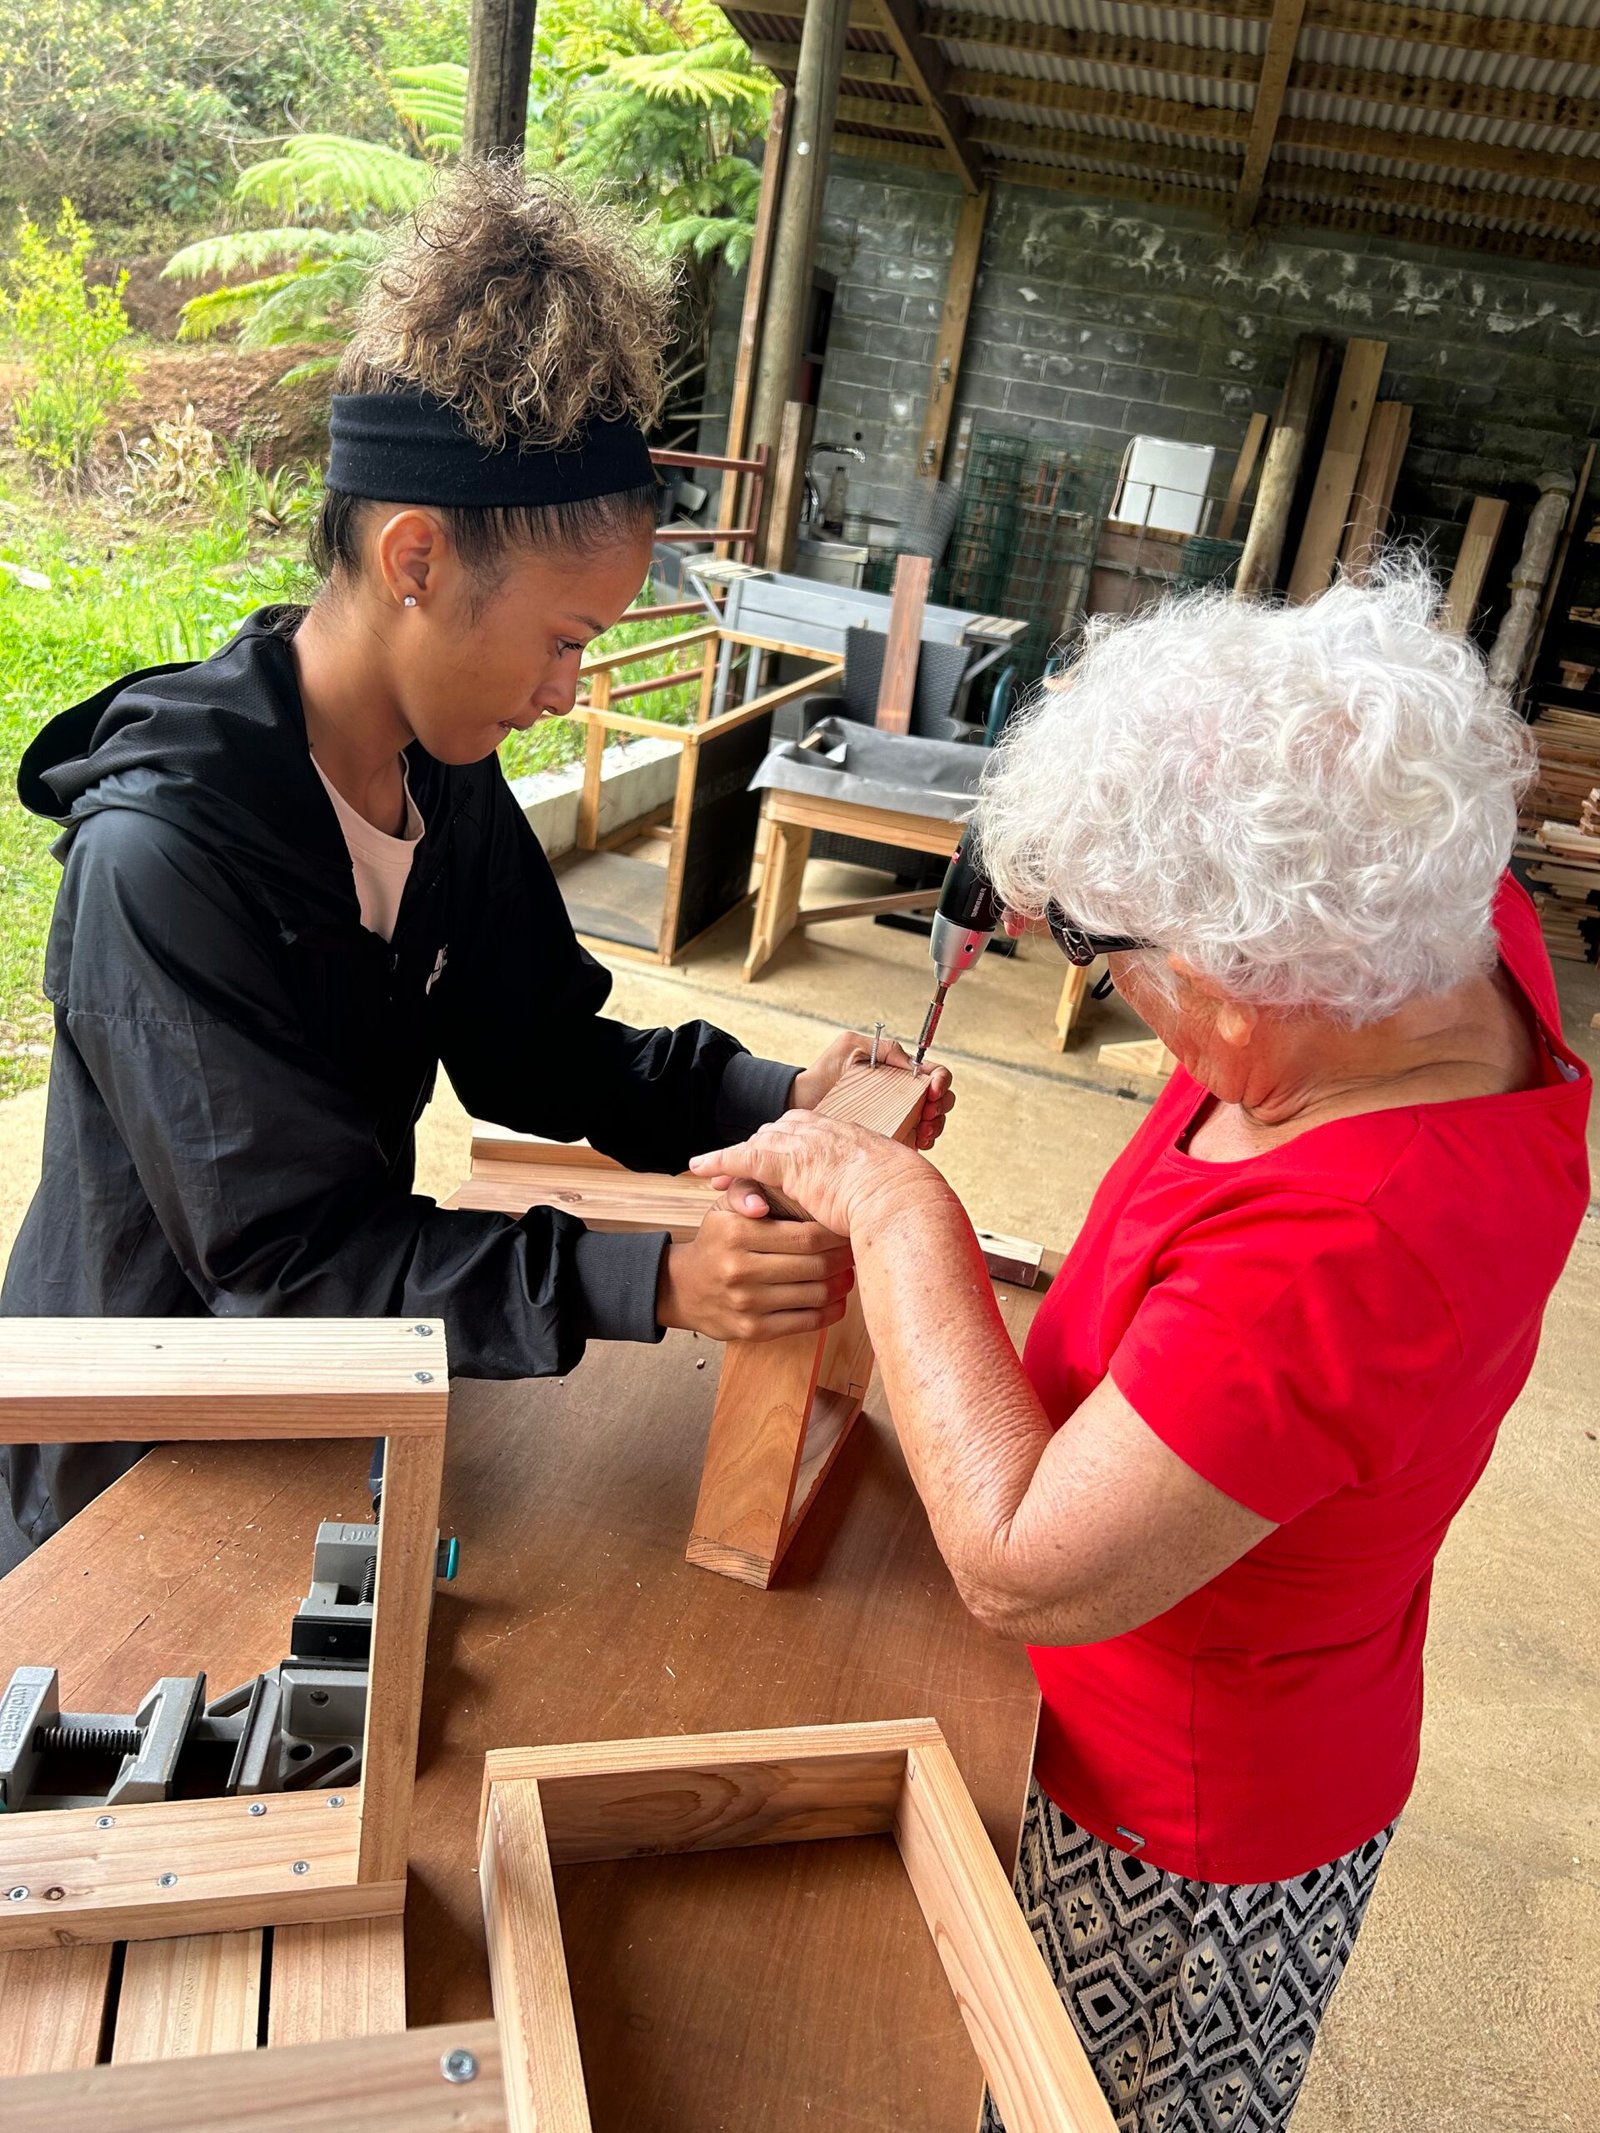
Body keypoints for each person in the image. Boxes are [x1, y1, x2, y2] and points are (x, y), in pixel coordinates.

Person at [689, 564, 1591, 2132]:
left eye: (1113, 960)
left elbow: (1025, 1559)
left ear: (1248, 980)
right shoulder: (1426, 915)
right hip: (1250, 1694)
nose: (1113, 992)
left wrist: (892, 1204)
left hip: (1173, 1823)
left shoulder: (1352, 1242)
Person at [0, 163, 950, 1565]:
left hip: (316, 1410)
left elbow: (533, 1048)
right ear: (417, 560)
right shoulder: (164, 861)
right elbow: (294, 1262)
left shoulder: (439, 776)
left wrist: (774, 1098)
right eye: (564, 640)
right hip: (126, 1454)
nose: (566, 692)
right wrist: (649, 1277)